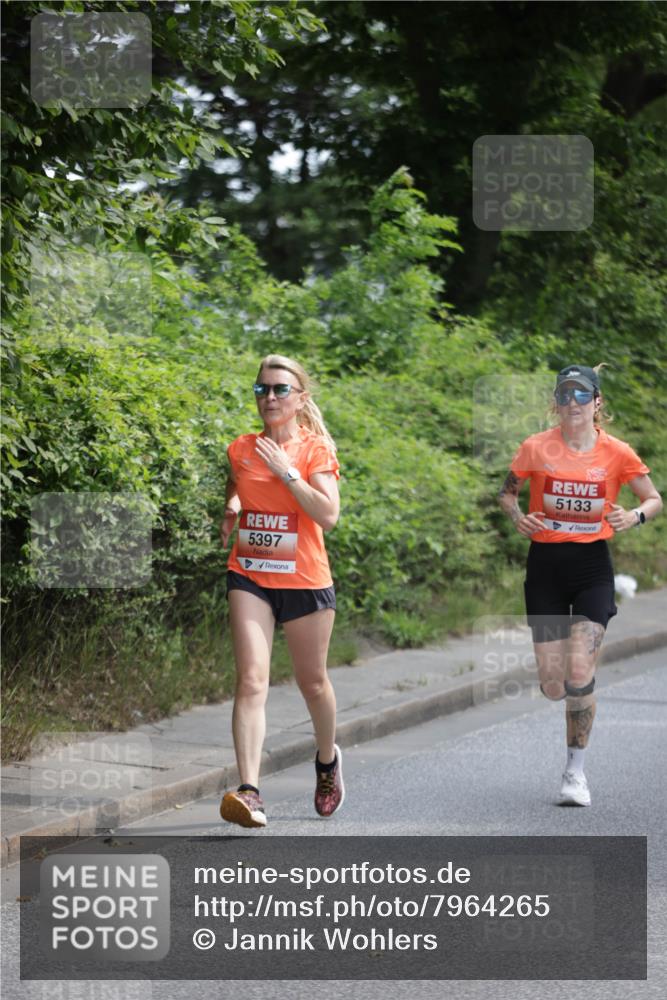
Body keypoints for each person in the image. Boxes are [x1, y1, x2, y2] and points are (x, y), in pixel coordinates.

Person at [499, 364, 662, 806]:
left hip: (592, 566)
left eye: (581, 395)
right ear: (556, 403)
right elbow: (507, 494)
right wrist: (519, 518)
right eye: (565, 395)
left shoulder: (617, 452)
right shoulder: (536, 448)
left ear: (597, 403)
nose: (573, 403)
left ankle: (575, 772)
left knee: (578, 672)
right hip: (546, 567)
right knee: (554, 684)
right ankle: (566, 692)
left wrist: (634, 516)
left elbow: (654, 498)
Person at [219, 354, 344, 828]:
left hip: (305, 581)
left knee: (312, 683)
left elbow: (328, 516)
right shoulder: (241, 448)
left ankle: (328, 762)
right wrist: (233, 506)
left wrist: (288, 472)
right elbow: (239, 483)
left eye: (279, 390)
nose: (269, 397)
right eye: (262, 390)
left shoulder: (315, 452)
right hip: (249, 574)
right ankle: (249, 791)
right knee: (251, 680)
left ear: (300, 399)